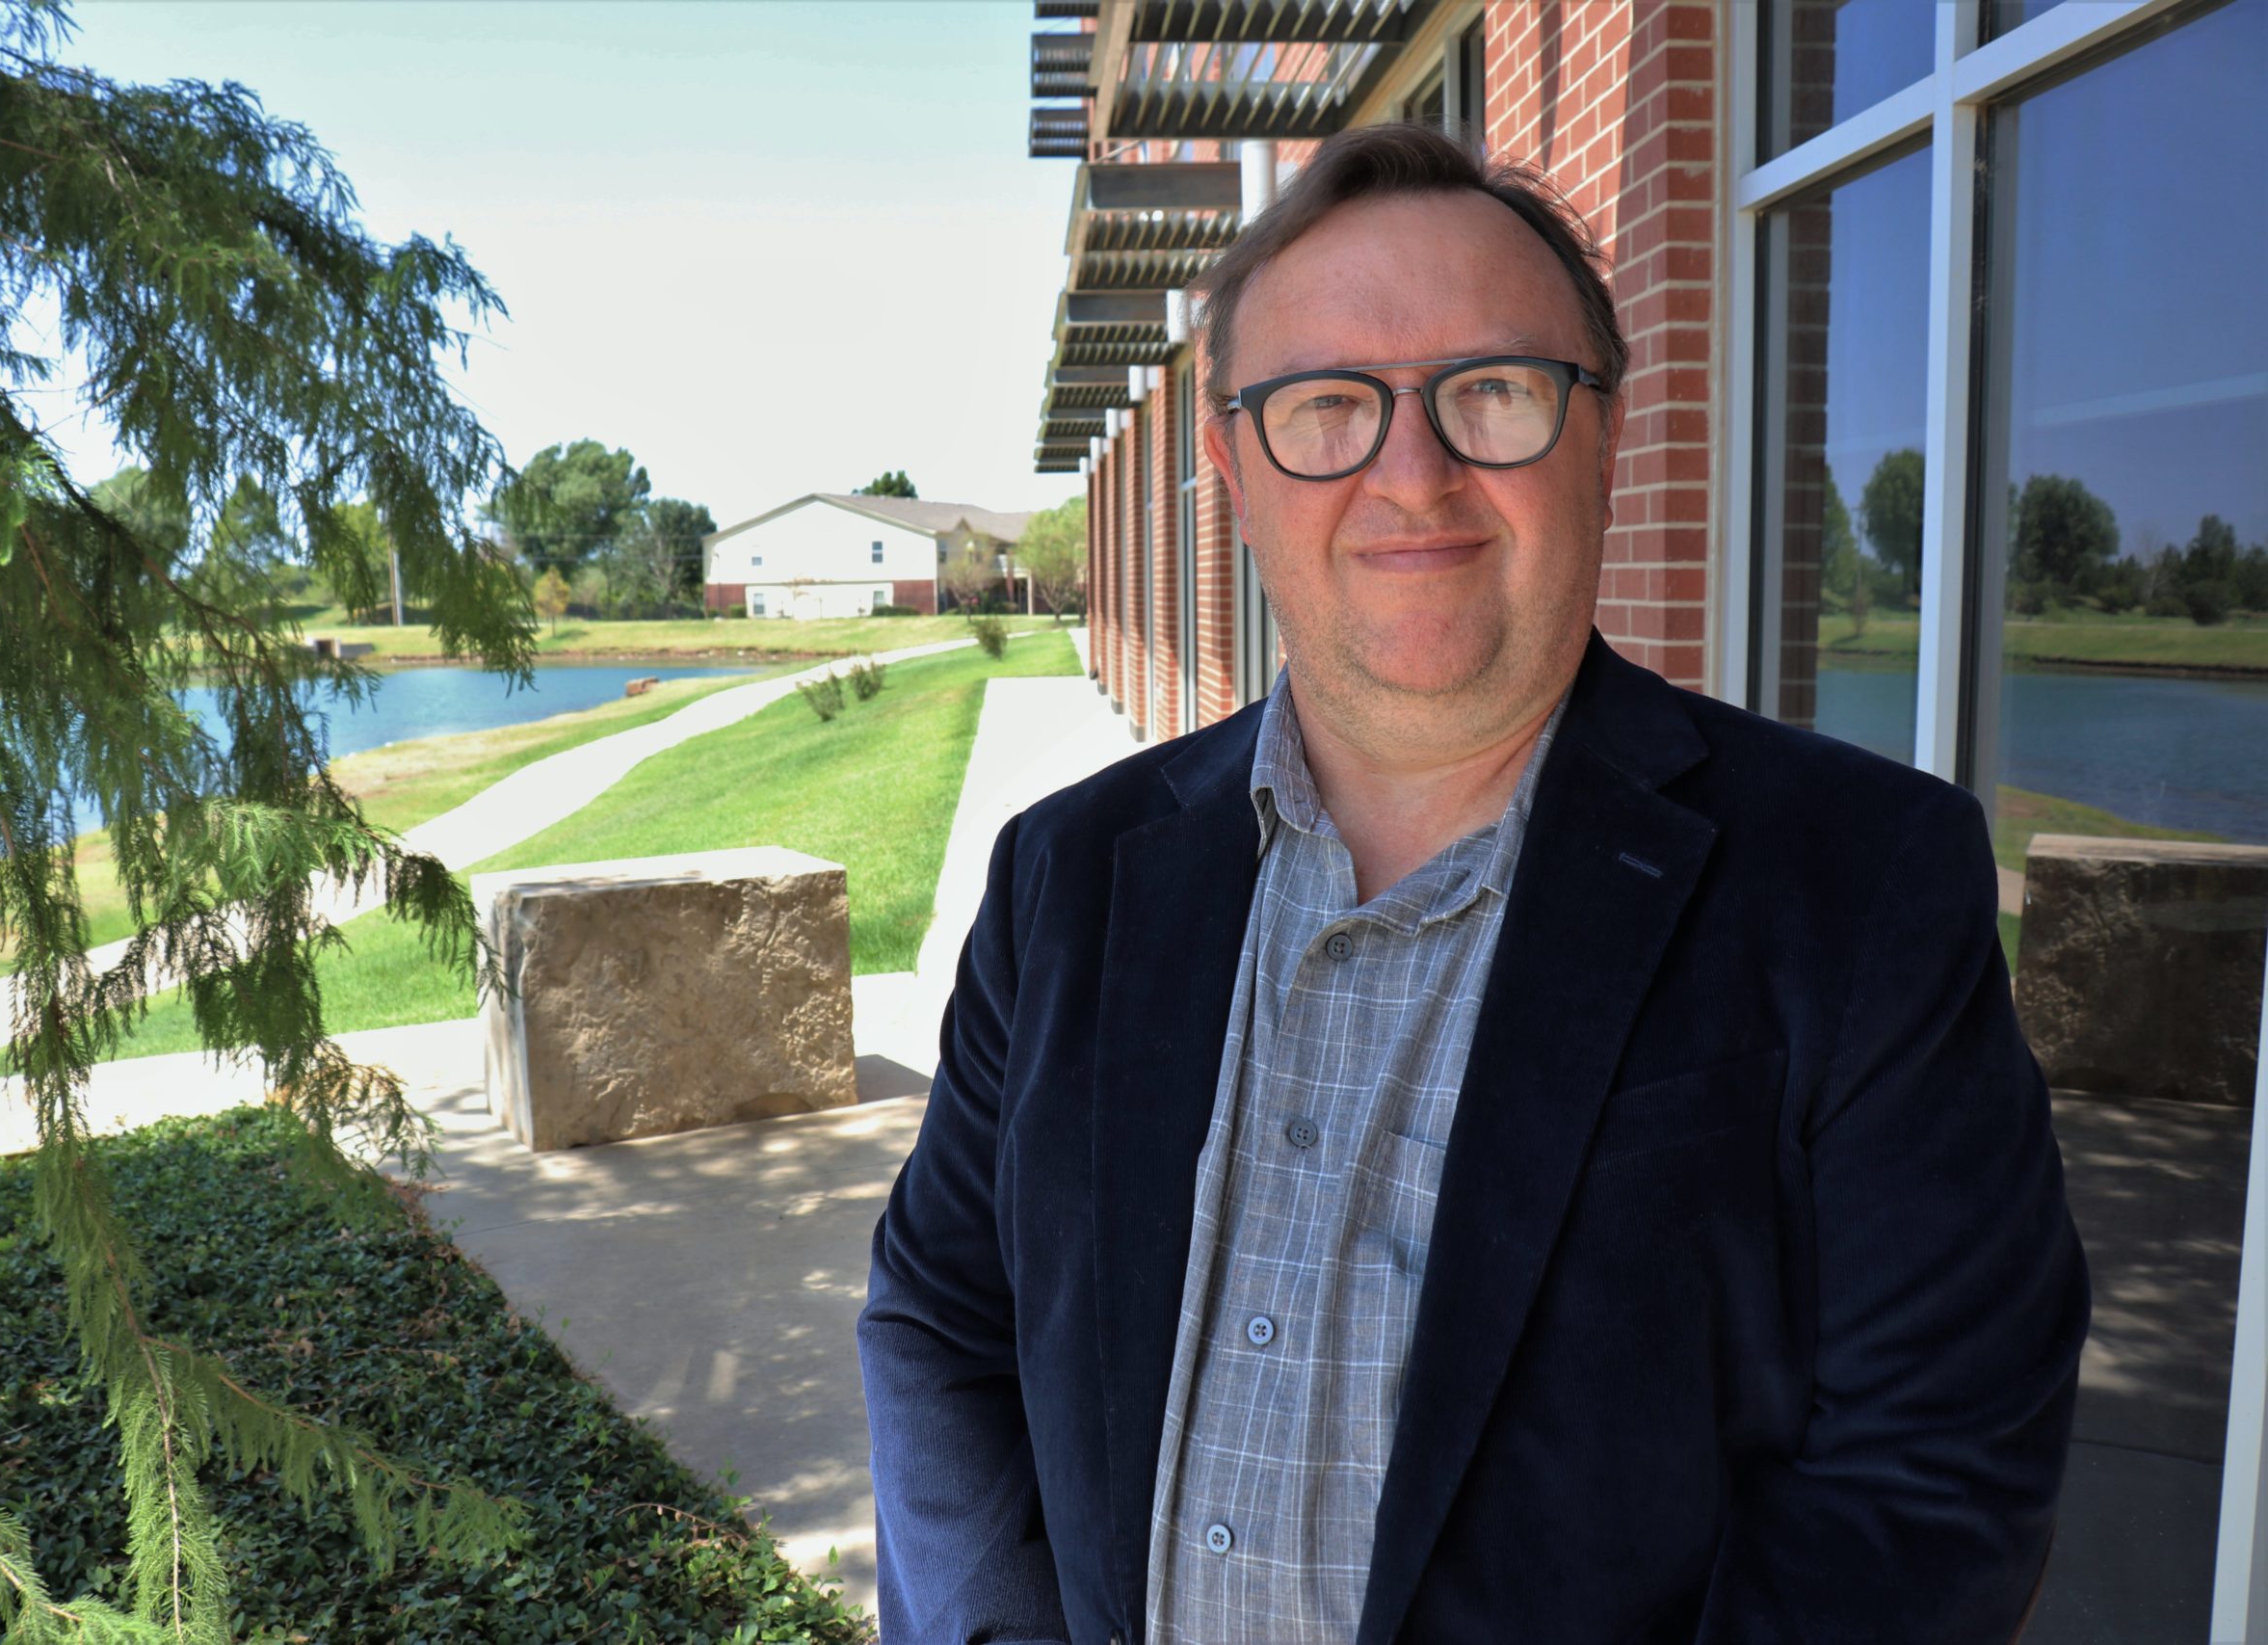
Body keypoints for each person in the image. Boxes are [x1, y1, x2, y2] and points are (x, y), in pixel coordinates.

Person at [857, 123, 2088, 1645]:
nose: (1413, 475)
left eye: (1491, 394)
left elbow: (1929, 1476)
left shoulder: (1859, 885)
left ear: (1602, 437)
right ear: (1234, 469)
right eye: (1327, 408)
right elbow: (938, 1321)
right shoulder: (1067, 882)